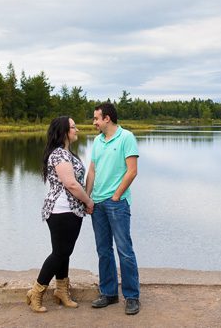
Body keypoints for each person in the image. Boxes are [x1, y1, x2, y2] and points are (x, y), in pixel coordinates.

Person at [26, 115, 95, 313]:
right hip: (60, 210)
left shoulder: (68, 154)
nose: (77, 130)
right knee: (60, 252)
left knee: (65, 251)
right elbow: (71, 184)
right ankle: (36, 292)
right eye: (73, 127)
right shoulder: (59, 155)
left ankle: (61, 291)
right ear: (64, 131)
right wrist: (88, 201)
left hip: (72, 210)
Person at [85, 102, 141, 315]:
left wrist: (116, 196)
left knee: (124, 250)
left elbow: (132, 171)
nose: (94, 122)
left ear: (107, 118)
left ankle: (132, 296)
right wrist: (87, 199)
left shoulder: (126, 137)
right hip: (97, 204)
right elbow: (92, 171)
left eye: (96, 118)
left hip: (117, 204)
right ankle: (108, 293)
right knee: (103, 251)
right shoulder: (98, 141)